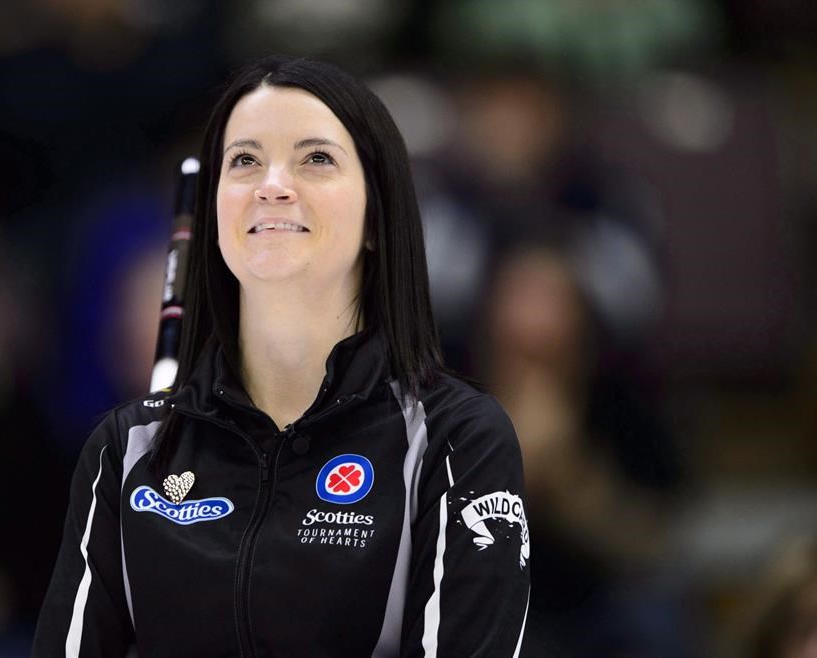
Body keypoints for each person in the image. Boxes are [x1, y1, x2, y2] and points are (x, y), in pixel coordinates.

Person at [32, 55, 530, 657]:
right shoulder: (126, 449)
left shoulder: (455, 440)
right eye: (244, 160)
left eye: (316, 158)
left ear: (378, 215)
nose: (272, 184)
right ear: (214, 213)